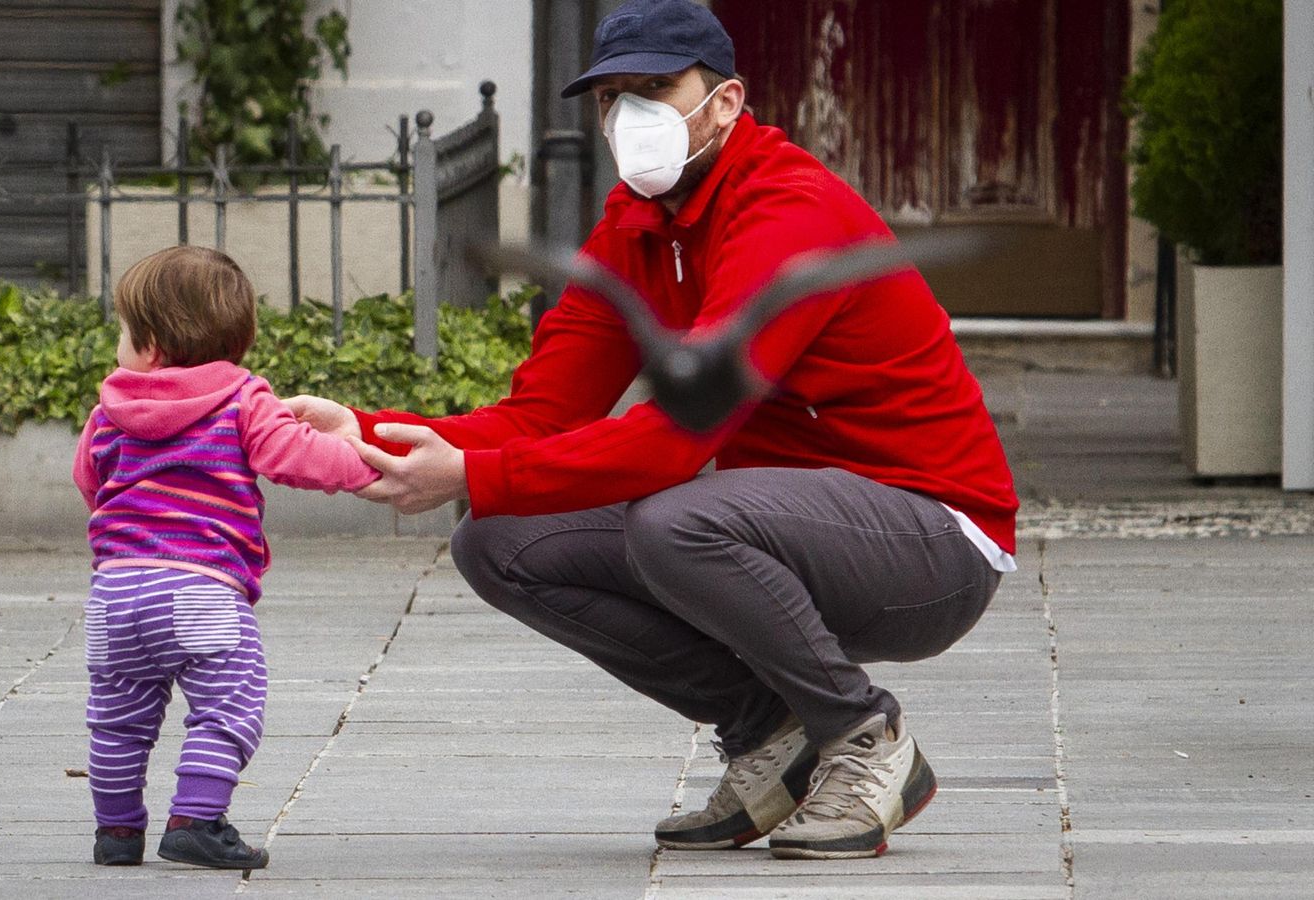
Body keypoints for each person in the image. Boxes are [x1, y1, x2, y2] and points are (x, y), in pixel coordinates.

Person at [290, 0, 1018, 861]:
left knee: (674, 519)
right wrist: (368, 429)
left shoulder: (784, 207)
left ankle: (865, 741)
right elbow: (539, 416)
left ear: (726, 102)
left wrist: (470, 474)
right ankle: (767, 732)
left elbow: (676, 443)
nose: (629, 115)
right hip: (788, 526)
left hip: (935, 539)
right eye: (611, 97)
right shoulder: (635, 227)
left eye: (656, 88)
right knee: (499, 542)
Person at [72, 246, 378, 869]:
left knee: (117, 719)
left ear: (152, 344)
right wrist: (362, 457)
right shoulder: (242, 398)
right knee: (229, 703)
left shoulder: (108, 413)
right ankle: (196, 819)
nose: (118, 348)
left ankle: (117, 833)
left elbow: (89, 483)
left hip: (113, 594)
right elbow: (296, 458)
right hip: (200, 591)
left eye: (123, 333)